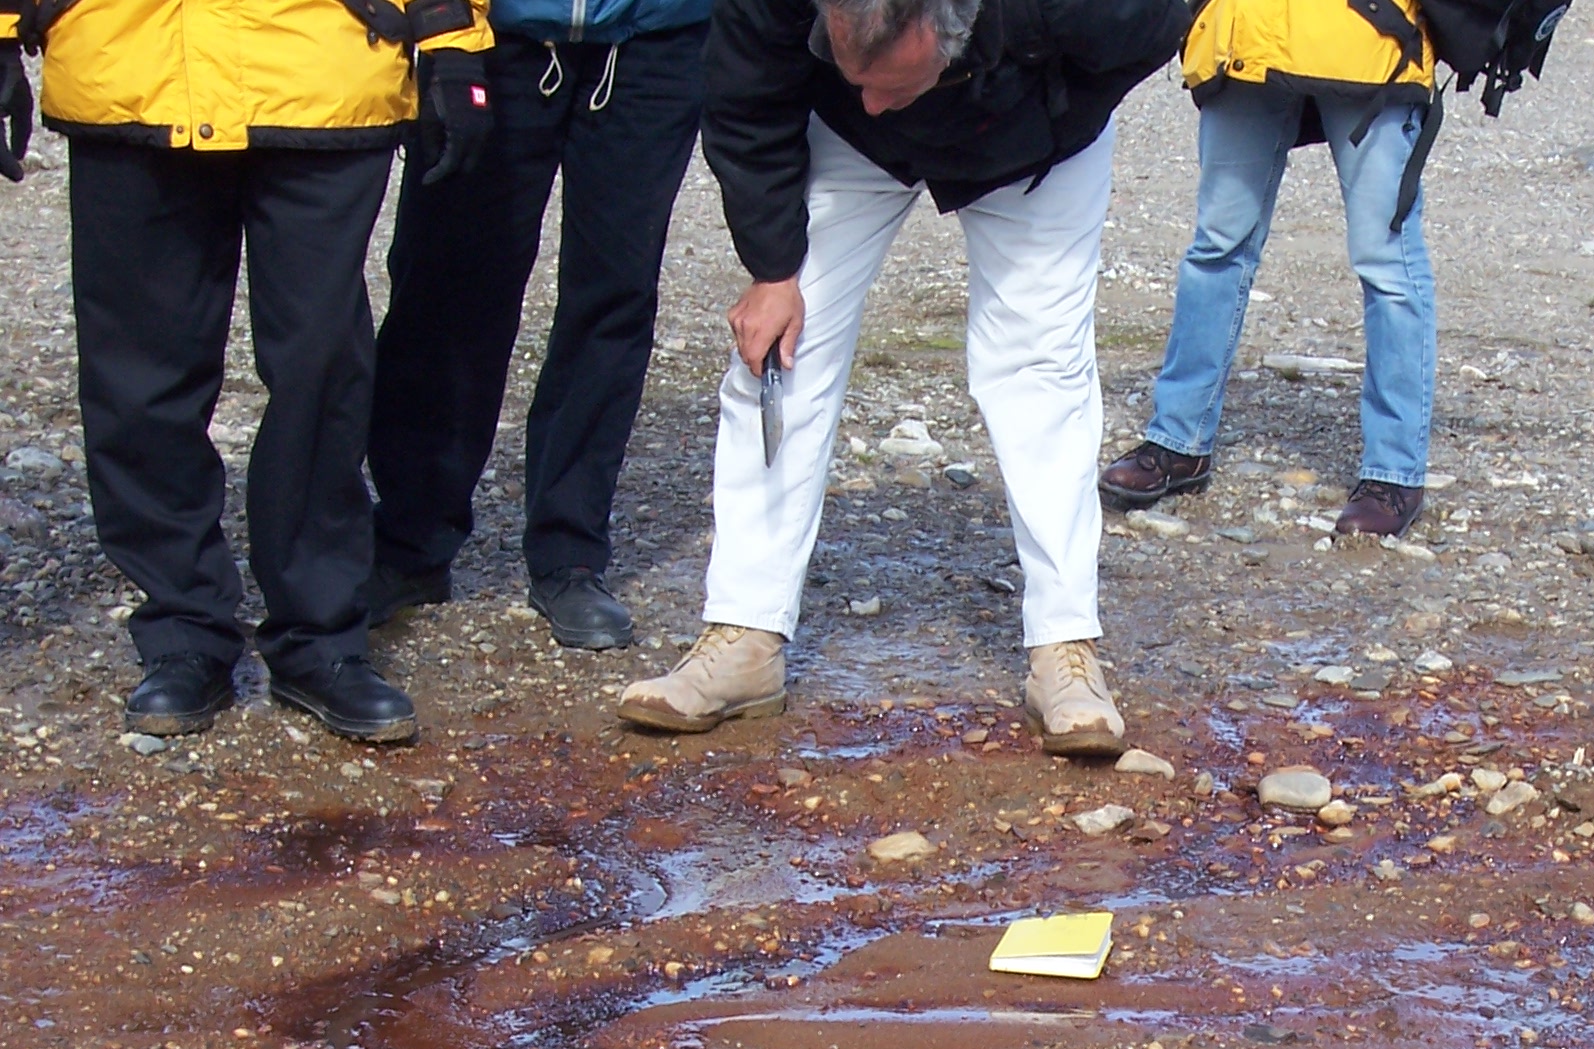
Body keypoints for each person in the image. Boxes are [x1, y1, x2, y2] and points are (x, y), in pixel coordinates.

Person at [616, 0, 1188, 754]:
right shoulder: (834, 68)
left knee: (1040, 366)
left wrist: (1048, 104)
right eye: (858, 74)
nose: (876, 101)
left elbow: (1158, 31)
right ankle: (743, 635)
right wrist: (772, 269)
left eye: (891, 83)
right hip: (848, 145)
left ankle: (1065, 647)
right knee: (780, 345)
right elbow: (746, 101)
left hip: (1034, 129)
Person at [0, 0, 494, 742]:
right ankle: (181, 630)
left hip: (324, 56)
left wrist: (454, 35)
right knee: (140, 377)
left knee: (322, 372)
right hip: (128, 52)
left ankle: (320, 637)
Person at [364, 0, 712, 651]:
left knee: (615, 295)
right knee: (447, 286)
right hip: (494, 33)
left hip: (657, 38)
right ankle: (411, 537)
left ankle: (570, 552)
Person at [1098, 0, 1439, 540]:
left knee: (1386, 262)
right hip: (1245, 35)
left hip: (1369, 41)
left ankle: (1395, 472)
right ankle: (1179, 441)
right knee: (1216, 247)